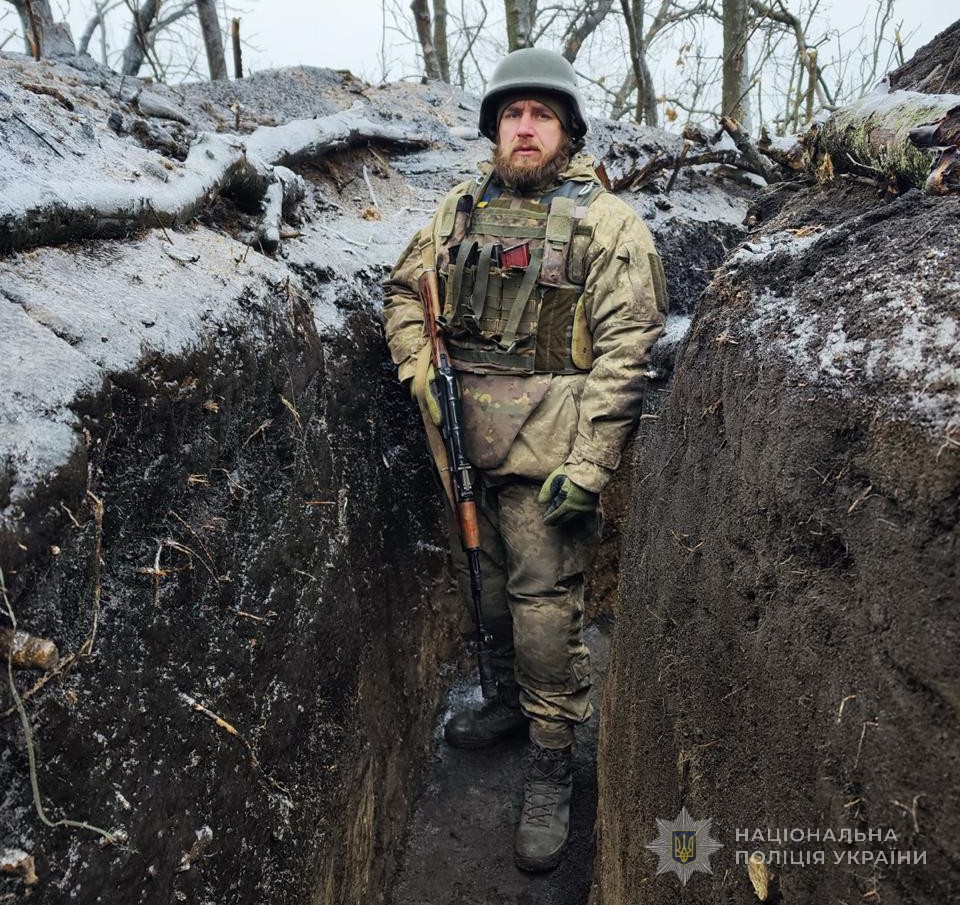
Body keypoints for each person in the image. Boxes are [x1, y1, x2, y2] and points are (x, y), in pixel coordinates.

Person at [382, 46, 668, 872]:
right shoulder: (458, 213)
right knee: (494, 602)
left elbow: (627, 353)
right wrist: (419, 374)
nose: (526, 128)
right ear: (495, 130)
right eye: (513, 115)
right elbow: (405, 296)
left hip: (551, 465)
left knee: (546, 619)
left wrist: (588, 469)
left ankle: (552, 761)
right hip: (472, 454)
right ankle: (507, 704)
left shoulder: (609, 225)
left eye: (543, 115)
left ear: (569, 130)